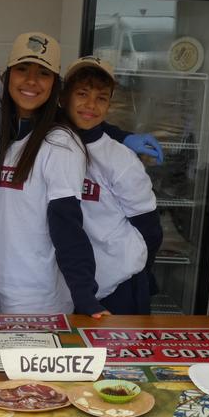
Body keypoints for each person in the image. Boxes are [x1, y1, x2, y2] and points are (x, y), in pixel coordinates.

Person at [0, 32, 107, 317]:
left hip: (40, 300)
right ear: (7, 76)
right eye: (23, 69)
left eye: (43, 73)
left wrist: (86, 298)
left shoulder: (60, 143)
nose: (31, 81)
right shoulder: (1, 137)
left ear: (55, 85)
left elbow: (67, 225)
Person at [60, 56, 162, 314]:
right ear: (64, 97)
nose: (90, 105)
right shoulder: (51, 144)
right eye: (82, 93)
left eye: (101, 98)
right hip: (70, 285)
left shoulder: (121, 159)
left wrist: (139, 270)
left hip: (119, 285)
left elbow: (149, 228)